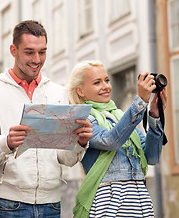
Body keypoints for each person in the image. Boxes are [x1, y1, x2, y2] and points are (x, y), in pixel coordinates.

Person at [0, 20, 93, 217]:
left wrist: (79, 142)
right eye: (29, 52)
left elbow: (65, 159)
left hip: (51, 205)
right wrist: (8, 142)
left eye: (42, 52)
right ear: (13, 50)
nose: (37, 59)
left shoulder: (59, 93)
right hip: (8, 206)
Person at [69, 60, 166, 218]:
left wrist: (154, 117)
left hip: (140, 201)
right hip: (109, 205)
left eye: (107, 80)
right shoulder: (82, 119)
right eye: (97, 82)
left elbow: (152, 157)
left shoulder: (121, 116)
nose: (106, 86)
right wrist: (140, 101)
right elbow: (110, 141)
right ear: (80, 91)